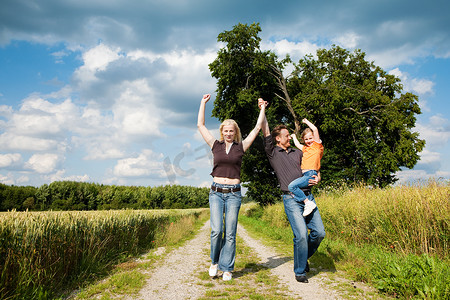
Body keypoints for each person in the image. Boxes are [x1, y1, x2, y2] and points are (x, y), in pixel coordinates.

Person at [197, 94, 266, 281]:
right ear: (222, 132)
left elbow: (257, 128)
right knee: (216, 230)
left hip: (234, 194)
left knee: (230, 233)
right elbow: (201, 126)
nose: (228, 133)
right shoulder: (215, 145)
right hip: (216, 193)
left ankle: (227, 268)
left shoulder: (240, 147)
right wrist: (203, 103)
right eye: (226, 131)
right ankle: (214, 262)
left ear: (235, 133)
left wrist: (262, 109)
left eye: (231, 131)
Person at [258, 98, 325, 283]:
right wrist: (263, 109)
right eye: (287, 135)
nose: (290, 137)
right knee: (301, 235)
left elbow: (314, 162)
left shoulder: (299, 152)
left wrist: (318, 175)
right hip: (291, 198)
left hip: (308, 196)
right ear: (278, 138)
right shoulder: (273, 152)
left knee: (319, 233)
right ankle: (300, 271)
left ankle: (302, 257)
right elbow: (265, 130)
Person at [288, 118, 324, 217]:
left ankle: (308, 203)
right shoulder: (305, 149)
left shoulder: (317, 146)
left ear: (314, 138)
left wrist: (306, 122)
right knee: (294, 191)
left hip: (310, 174)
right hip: (306, 175)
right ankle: (305, 202)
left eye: (310, 138)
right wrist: (294, 136)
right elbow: (297, 144)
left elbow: (315, 130)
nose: (308, 141)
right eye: (306, 139)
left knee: (292, 187)